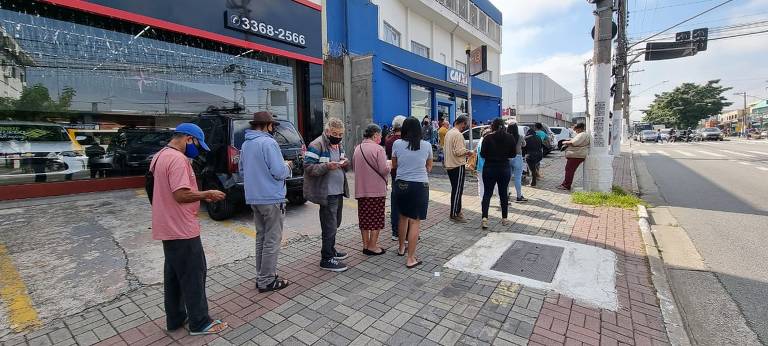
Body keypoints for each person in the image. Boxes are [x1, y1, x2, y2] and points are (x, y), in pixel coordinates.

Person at [149, 123, 228, 335]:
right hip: (182, 228)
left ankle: (175, 319)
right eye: (197, 144)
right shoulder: (177, 159)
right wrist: (207, 194)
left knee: (174, 276)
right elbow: (181, 194)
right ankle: (200, 322)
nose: (197, 149)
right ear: (188, 139)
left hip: (168, 225)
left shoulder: (160, 156)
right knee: (194, 274)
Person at [240, 111, 292, 292]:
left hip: (254, 197)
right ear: (268, 125)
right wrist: (287, 166)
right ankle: (267, 280)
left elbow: (241, 170)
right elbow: (278, 172)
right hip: (271, 197)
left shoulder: (246, 144)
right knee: (272, 239)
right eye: (272, 126)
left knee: (261, 238)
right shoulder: (269, 143)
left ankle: (261, 275)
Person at [304, 117, 351, 272]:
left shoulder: (338, 145)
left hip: (338, 191)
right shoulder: (316, 144)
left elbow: (343, 163)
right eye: (334, 133)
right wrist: (326, 166)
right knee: (329, 226)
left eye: (340, 134)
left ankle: (331, 250)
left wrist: (345, 163)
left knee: (335, 223)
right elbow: (309, 168)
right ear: (327, 131)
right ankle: (326, 258)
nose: (337, 136)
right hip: (327, 193)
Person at [392, 117, 432, 268]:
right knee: (415, 221)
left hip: (401, 184)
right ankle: (411, 258)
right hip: (419, 186)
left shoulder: (397, 143)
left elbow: (394, 165)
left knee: (402, 217)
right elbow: (429, 167)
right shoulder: (426, 145)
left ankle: (401, 248)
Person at [353, 124, 390, 256]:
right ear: (375, 135)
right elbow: (383, 169)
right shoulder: (378, 149)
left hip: (361, 189)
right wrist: (389, 165)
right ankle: (373, 246)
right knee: (376, 219)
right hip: (376, 190)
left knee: (364, 219)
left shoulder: (357, 148)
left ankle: (365, 245)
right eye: (380, 135)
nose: (381, 138)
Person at [479, 118, 515, 229]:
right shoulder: (510, 137)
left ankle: (485, 218)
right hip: (504, 168)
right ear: (503, 126)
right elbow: (513, 154)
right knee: (503, 193)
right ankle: (504, 218)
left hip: (489, 168)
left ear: (493, 126)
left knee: (487, 193)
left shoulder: (487, 138)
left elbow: (482, 154)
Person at [443, 115, 473, 223]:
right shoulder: (458, 134)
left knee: (456, 189)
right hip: (457, 165)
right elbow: (458, 151)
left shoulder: (449, 133)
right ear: (462, 123)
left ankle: (457, 212)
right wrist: (468, 152)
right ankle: (455, 213)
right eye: (465, 125)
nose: (465, 127)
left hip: (450, 165)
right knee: (457, 190)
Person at [385, 115, 407, 241]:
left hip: (394, 175)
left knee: (395, 204)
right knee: (406, 204)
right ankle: (405, 232)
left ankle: (395, 231)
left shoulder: (389, 140)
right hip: (405, 174)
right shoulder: (405, 141)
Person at [558, 123, 591, 191]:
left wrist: (564, 142)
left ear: (579, 129)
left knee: (569, 170)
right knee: (569, 170)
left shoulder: (582, 134)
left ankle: (566, 185)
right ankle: (565, 184)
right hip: (576, 155)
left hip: (577, 155)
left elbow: (574, 143)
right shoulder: (582, 134)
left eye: (576, 130)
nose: (575, 131)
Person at [507, 123, 528, 202]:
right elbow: (524, 145)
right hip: (518, 157)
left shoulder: (506, 137)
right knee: (517, 178)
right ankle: (519, 197)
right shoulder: (520, 137)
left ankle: (506, 195)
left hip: (508, 158)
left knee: (507, 178)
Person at [475, 128, 496, 199]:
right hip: (488, 167)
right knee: (495, 184)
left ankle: (482, 200)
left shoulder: (480, 141)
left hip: (480, 167)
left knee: (481, 184)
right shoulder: (486, 143)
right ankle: (501, 199)